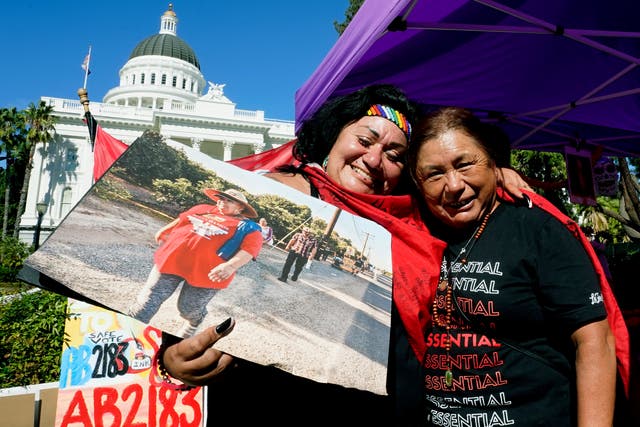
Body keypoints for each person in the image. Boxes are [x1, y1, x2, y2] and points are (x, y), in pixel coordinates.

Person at [156, 85, 538, 425]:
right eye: (365, 139)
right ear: (333, 136)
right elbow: (191, 295)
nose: (374, 160)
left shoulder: (416, 220)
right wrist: (173, 359)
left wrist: (491, 175)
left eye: (394, 154)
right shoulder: (269, 192)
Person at [405, 106, 623, 425]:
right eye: (434, 174)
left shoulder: (538, 231)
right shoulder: (415, 231)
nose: (453, 185)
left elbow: (595, 341)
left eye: (465, 164)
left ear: (493, 163)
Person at [127, 188, 263, 338]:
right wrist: (166, 229)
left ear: (241, 207)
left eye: (228, 200)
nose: (222, 202)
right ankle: (126, 333)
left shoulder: (250, 228)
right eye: (221, 198)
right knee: (149, 300)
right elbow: (183, 220)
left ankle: (195, 322)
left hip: (208, 275)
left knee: (188, 308)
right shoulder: (202, 209)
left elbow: (249, 251)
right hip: (171, 262)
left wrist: (230, 266)